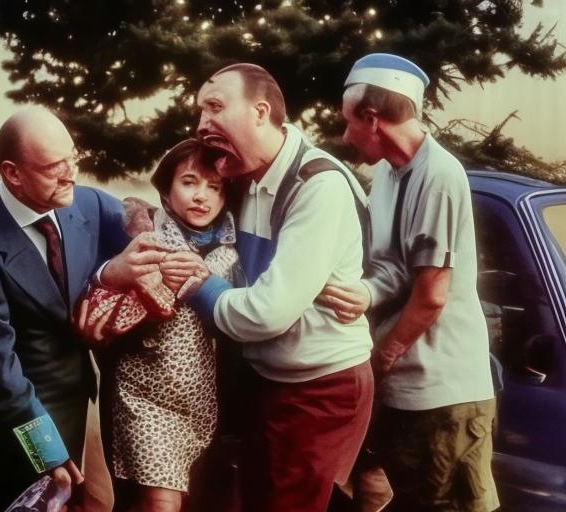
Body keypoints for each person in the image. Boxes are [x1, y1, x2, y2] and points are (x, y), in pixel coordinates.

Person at [171, 63, 375, 512]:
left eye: (215, 107)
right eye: (201, 111)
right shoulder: (245, 176)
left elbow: (267, 313)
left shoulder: (318, 185)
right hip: (269, 382)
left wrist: (198, 285)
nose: (202, 123)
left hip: (317, 387)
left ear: (260, 112)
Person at [0, 107, 164, 512]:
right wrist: (45, 450)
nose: (70, 174)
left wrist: (108, 277)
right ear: (12, 173)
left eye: (72, 158)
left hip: (85, 405)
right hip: (15, 430)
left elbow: (158, 230)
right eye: (53, 167)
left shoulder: (87, 204)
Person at [319, 53, 499, 511]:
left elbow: (431, 296)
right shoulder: (386, 174)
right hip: (404, 390)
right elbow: (393, 267)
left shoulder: (440, 176)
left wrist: (380, 359)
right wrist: (365, 294)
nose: (345, 136)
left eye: (348, 122)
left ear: (372, 118)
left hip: (444, 396)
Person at [87, 139, 239, 512]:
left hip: (204, 405)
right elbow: (96, 293)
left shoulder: (233, 254)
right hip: (145, 398)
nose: (201, 196)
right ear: (166, 193)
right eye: (189, 182)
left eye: (214, 187)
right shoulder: (142, 240)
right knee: (162, 504)